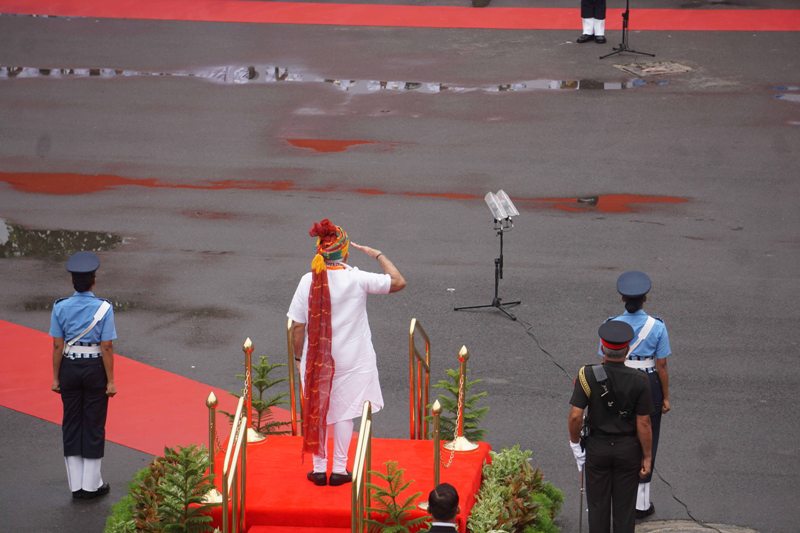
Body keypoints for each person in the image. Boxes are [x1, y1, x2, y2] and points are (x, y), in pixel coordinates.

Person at [287, 219, 406, 486]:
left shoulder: (307, 281)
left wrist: (298, 357)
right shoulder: (357, 278)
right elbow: (398, 281)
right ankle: (339, 469)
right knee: (345, 411)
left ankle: (319, 469)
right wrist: (377, 254)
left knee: (318, 408)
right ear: (344, 252)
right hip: (353, 359)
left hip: (316, 359)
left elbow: (297, 326)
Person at [569, 320, 653, 533]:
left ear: (602, 347)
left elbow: (576, 416)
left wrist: (575, 444)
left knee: (598, 508)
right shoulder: (640, 380)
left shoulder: (587, 375)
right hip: (628, 449)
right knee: (625, 511)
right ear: (627, 349)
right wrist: (647, 456)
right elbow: (643, 422)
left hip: (598, 447)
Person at [604, 270, 671, 519]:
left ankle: (619, 495)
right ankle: (641, 502)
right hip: (648, 381)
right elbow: (661, 365)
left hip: (618, 379)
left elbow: (605, 358)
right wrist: (665, 397)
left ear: (622, 298)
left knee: (620, 434)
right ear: (645, 299)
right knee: (649, 436)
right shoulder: (657, 326)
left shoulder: (611, 325)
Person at [50, 251, 117, 500]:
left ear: (73, 282)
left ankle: (75, 485)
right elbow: (106, 347)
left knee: (71, 423)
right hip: (94, 369)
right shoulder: (104, 308)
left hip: (69, 367)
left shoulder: (60, 307)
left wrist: (56, 378)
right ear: (93, 281)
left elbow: (57, 345)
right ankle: (91, 486)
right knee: (93, 424)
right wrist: (111, 381)